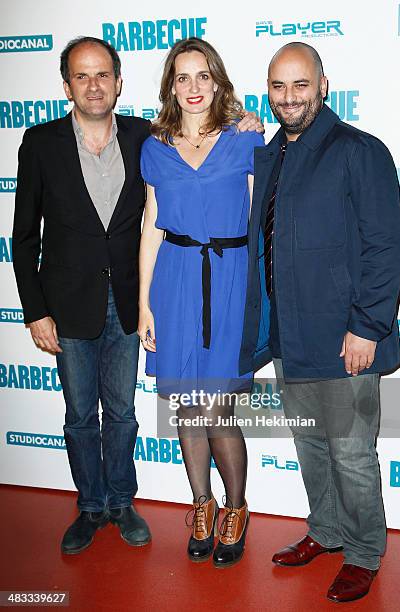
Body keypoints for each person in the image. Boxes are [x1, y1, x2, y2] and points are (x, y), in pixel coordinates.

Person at [239, 42, 400, 602]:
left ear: (323, 85)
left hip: (346, 341)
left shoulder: (359, 150)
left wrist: (367, 326)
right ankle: (327, 530)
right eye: (278, 87)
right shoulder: (271, 154)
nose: (289, 98)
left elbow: (387, 245)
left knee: (351, 455)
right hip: (292, 338)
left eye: (300, 85)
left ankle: (362, 551)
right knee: (311, 447)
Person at [12, 36, 154, 554]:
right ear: (67, 85)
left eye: (103, 74)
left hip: (129, 302)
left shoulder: (144, 136)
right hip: (68, 305)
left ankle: (121, 500)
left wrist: (246, 121)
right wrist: (35, 312)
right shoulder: (40, 142)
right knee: (79, 416)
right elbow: (24, 236)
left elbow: (200, 134)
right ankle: (90, 506)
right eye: (82, 75)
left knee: (122, 412)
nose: (93, 85)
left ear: (118, 81)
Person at [138, 37, 264, 568]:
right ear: (170, 84)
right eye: (182, 77)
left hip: (230, 282)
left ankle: (236, 508)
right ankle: (203, 505)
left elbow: (262, 222)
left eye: (202, 76)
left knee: (217, 407)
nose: (192, 87)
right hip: (175, 284)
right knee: (186, 408)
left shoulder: (246, 140)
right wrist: (144, 303)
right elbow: (151, 226)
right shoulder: (155, 146)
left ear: (218, 81)